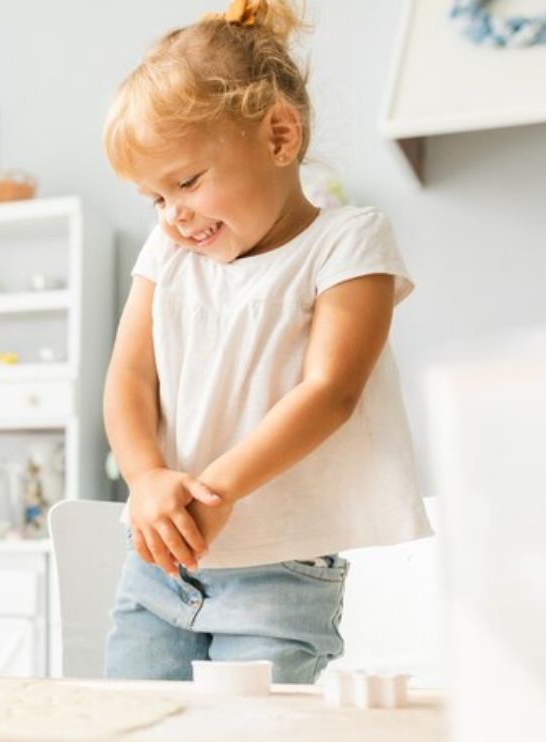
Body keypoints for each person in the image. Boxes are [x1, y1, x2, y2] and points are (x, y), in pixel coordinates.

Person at [101, 0, 432, 683]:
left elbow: (330, 392)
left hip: (280, 573)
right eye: (154, 199)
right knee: (130, 722)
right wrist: (147, 477)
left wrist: (210, 494)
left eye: (186, 182)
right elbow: (129, 380)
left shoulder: (348, 241)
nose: (174, 217)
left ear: (281, 137)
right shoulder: (167, 259)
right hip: (159, 561)